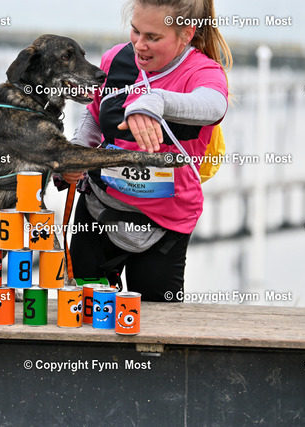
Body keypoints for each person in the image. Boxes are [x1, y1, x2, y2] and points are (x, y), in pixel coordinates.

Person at [58, 0, 232, 301]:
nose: (140, 45)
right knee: (86, 314)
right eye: (136, 31)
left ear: (187, 33)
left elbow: (214, 105)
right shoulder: (115, 59)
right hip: (99, 212)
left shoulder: (202, 71)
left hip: (164, 225)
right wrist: (76, 152)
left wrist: (156, 101)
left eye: (153, 37)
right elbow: (96, 114)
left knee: (156, 323)